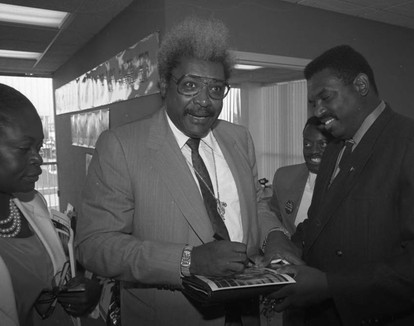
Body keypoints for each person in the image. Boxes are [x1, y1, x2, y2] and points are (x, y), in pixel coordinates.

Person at [75, 16, 301, 326]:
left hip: (246, 311)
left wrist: (274, 235)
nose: (205, 102)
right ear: (166, 84)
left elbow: (257, 204)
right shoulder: (121, 146)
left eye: (216, 88)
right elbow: (94, 245)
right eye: (191, 85)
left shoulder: (239, 138)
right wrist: (188, 260)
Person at [269, 45, 414, 325]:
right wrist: (286, 248)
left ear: (361, 85)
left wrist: (332, 286)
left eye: (325, 97)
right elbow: (321, 220)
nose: (318, 111)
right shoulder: (334, 149)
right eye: (312, 102)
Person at [0, 84, 100, 326]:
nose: (39, 159)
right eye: (25, 149)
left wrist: (84, 292)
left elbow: (56, 280)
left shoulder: (33, 203)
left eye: (39, 147)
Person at [269, 117, 335, 235]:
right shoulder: (284, 177)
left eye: (323, 144)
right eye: (307, 143)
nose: (314, 151)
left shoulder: (347, 182)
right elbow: (272, 216)